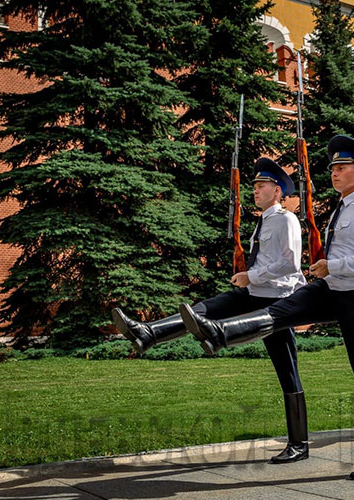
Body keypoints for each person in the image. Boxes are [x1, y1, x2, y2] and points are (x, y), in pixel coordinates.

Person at [180, 135, 354, 480]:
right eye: (333, 169)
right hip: (329, 289)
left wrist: (334, 266)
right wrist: (330, 271)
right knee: (280, 314)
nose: (334, 174)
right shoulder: (341, 211)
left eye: (341, 168)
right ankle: (221, 333)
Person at [110, 158, 310, 464]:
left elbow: (290, 263)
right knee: (202, 310)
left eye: (261, 186)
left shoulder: (286, 220)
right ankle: (148, 333)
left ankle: (299, 443)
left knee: (287, 370)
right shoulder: (264, 221)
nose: (255, 190)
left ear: (278, 190)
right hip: (252, 293)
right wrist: (248, 277)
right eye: (254, 186)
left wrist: (250, 276)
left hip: (275, 301)